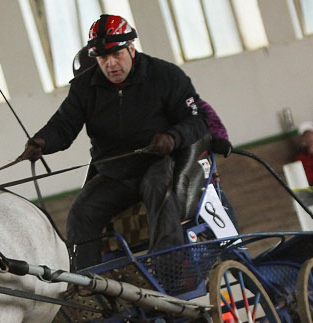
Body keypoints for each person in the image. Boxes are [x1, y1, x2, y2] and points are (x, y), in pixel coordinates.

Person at [18, 15, 207, 270]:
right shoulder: (85, 87)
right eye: (102, 58)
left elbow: (196, 121)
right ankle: (88, 284)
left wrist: (172, 138)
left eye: (116, 54)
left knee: (158, 187)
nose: (110, 64)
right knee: (81, 212)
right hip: (115, 175)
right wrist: (42, 141)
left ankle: (168, 267)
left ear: (131, 48)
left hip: (159, 163)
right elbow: (64, 124)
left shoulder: (166, 75)